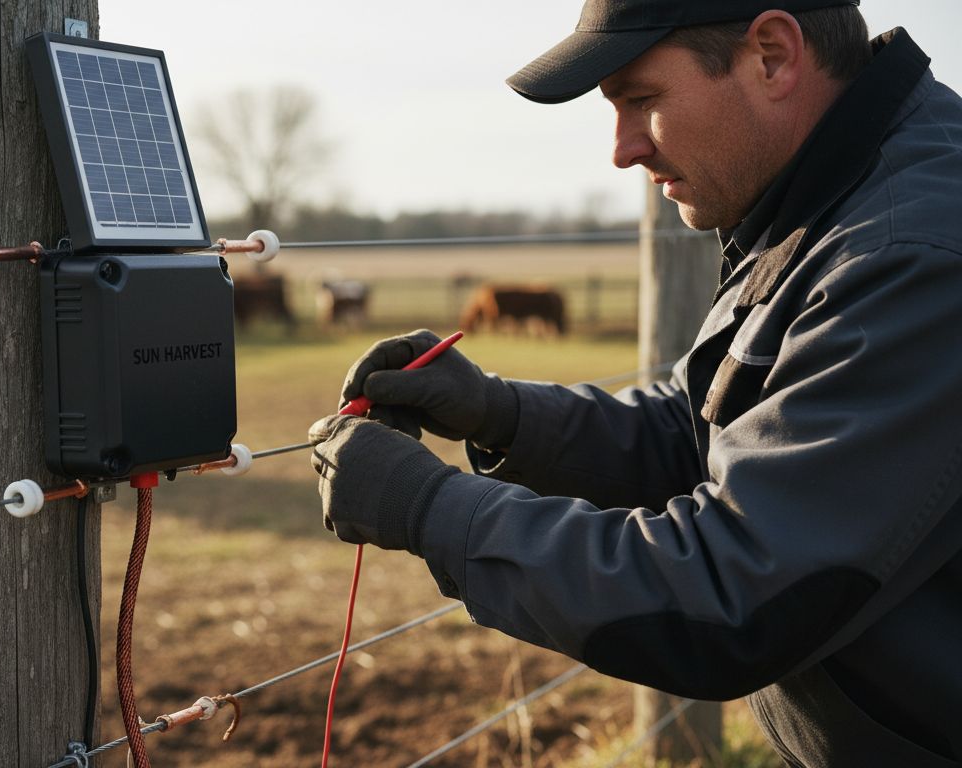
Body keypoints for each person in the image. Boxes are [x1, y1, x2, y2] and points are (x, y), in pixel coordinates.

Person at [308, 1, 962, 765]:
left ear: (774, 55)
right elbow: (699, 430)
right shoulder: (829, 200)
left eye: (640, 101)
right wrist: (501, 414)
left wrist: (430, 508)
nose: (621, 151)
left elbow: (737, 594)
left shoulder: (910, 253)